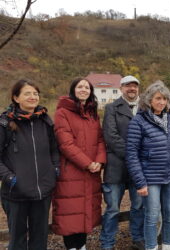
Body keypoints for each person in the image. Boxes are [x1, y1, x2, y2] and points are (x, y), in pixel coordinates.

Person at [0, 80, 59, 250]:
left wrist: (54, 169)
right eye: (27, 93)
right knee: (17, 239)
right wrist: (10, 178)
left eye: (35, 93)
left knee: (40, 237)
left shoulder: (45, 121)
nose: (33, 97)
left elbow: (54, 149)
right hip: (16, 191)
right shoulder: (4, 123)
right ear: (16, 98)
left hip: (43, 190)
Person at [52, 77, 107, 250]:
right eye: (80, 87)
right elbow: (65, 144)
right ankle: (72, 247)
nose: (83, 89)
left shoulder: (92, 114)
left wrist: (99, 161)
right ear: (73, 90)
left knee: (85, 211)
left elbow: (100, 140)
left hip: (91, 172)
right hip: (71, 172)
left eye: (87, 87)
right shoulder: (62, 112)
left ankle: (82, 246)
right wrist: (87, 163)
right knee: (70, 212)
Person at [125, 81, 170, 250]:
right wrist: (140, 182)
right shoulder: (139, 121)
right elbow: (131, 154)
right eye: (158, 98)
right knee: (152, 215)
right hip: (150, 178)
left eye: (164, 99)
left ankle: (167, 246)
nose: (162, 102)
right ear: (149, 100)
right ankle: (151, 247)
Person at [100, 75, 144, 250]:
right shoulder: (111, 108)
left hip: (139, 169)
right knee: (112, 208)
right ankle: (107, 242)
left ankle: (137, 237)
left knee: (139, 206)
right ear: (121, 88)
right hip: (116, 166)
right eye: (128, 86)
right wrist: (132, 155)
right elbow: (111, 136)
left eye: (134, 86)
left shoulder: (145, 108)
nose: (131, 89)